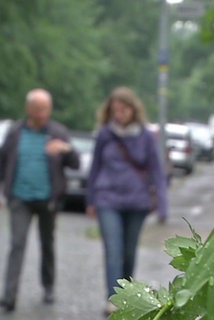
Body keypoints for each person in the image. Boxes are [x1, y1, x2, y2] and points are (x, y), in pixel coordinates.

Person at [0, 88, 80, 313]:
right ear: (28, 109)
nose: (41, 114)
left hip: (48, 199)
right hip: (20, 198)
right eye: (37, 109)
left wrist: (65, 150)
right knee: (17, 245)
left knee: (47, 244)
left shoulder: (58, 132)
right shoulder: (16, 132)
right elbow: (1, 161)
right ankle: (9, 296)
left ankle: (48, 286)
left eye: (45, 109)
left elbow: (75, 164)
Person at [85, 86, 168, 316]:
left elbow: (157, 171)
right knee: (113, 249)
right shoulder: (105, 134)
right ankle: (113, 299)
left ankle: (127, 294)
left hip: (136, 201)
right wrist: (90, 199)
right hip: (107, 198)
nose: (118, 115)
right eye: (115, 110)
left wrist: (162, 204)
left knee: (129, 252)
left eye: (123, 110)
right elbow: (94, 168)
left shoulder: (145, 136)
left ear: (133, 110)